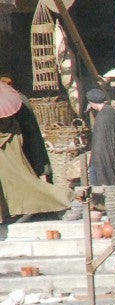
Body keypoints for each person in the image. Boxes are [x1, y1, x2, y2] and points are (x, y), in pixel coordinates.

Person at [0, 80, 69, 220]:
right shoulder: (16, 106)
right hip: (24, 147)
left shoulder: (9, 122)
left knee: (24, 183)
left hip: (13, 154)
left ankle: (62, 199)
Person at [85, 88, 115, 187]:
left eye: (90, 103)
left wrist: (96, 161)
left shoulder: (101, 117)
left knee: (97, 177)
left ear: (93, 103)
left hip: (104, 157)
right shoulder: (112, 112)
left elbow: (98, 143)